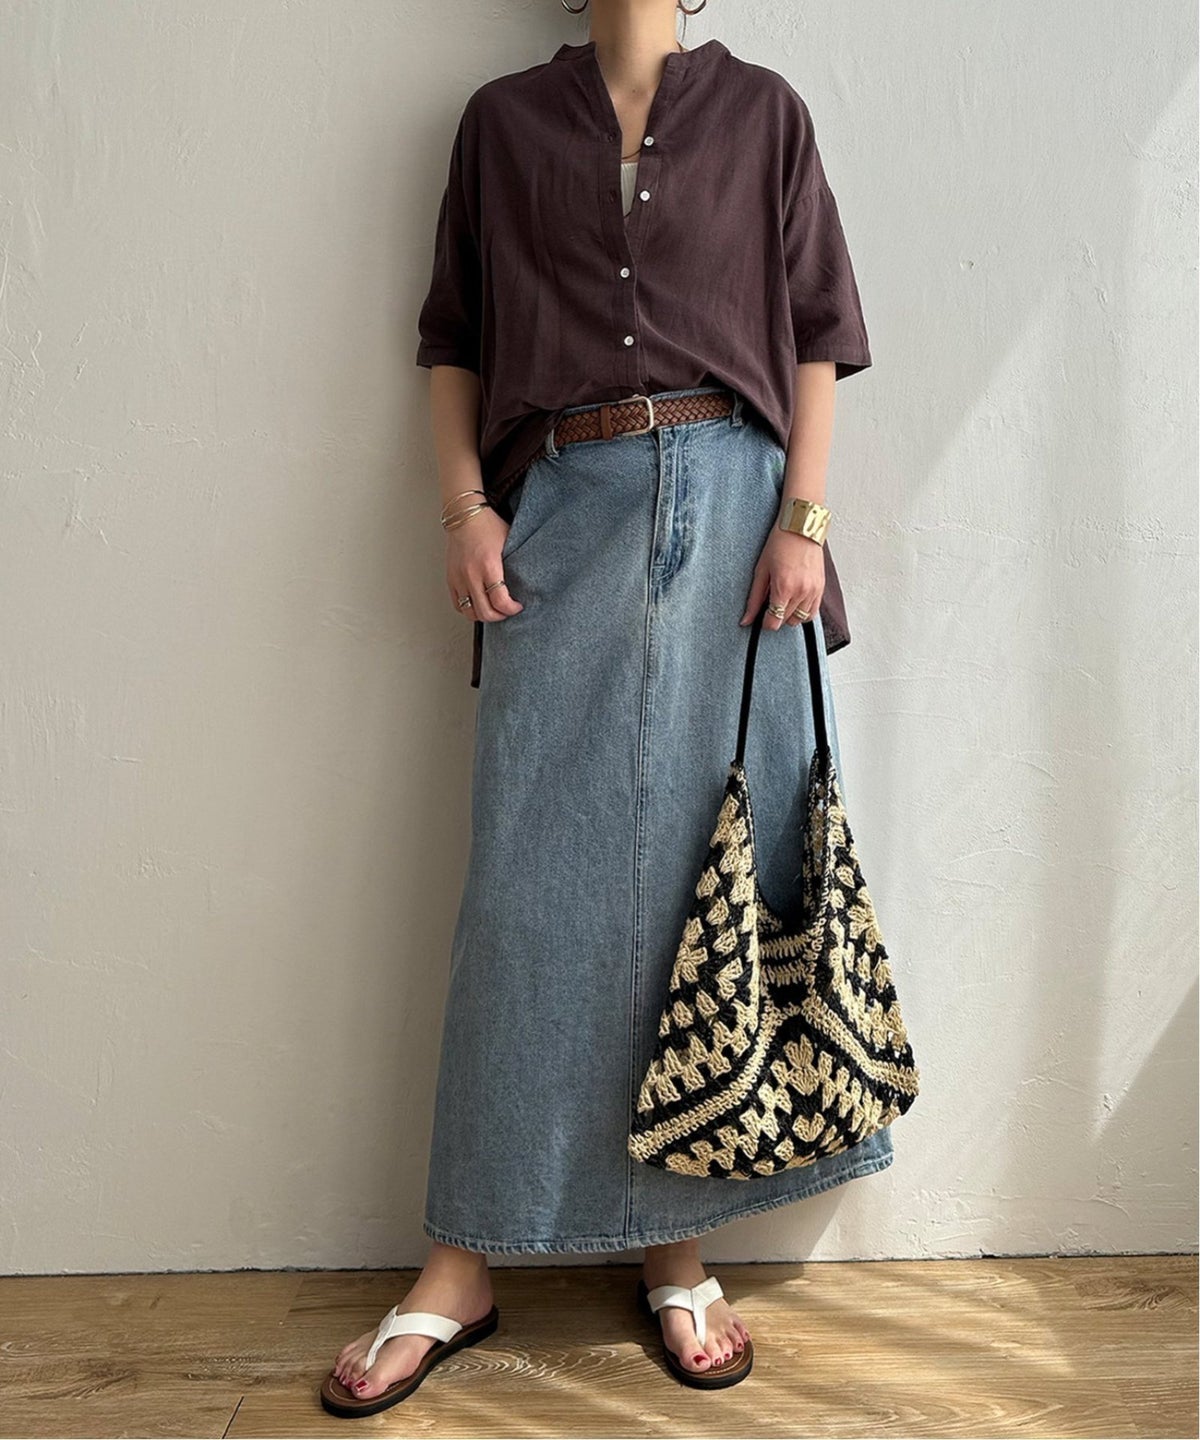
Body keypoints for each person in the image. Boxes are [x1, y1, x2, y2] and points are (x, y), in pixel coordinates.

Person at [321, 0, 893, 1415]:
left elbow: (819, 332)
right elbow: (453, 338)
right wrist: (462, 507)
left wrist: (806, 520)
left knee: (700, 881)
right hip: (560, 514)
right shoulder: (502, 124)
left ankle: (674, 1249)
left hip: (739, 520)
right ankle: (464, 1256)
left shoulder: (764, 115)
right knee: (531, 888)